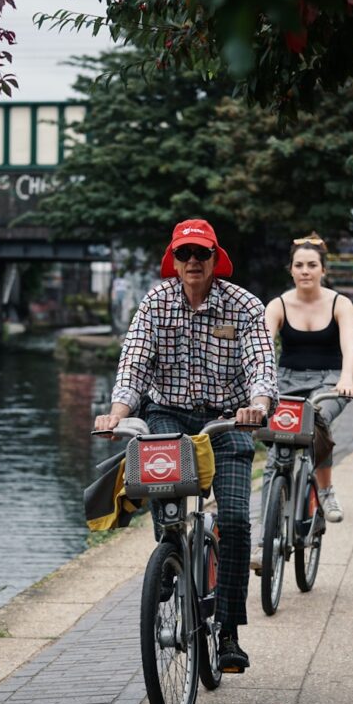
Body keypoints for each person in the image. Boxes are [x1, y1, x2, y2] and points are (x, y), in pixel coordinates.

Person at [94, 218, 278, 672]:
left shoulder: (244, 305)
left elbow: (260, 363)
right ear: (172, 260)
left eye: (202, 254)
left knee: (234, 520)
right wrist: (117, 412)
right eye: (185, 254)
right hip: (169, 415)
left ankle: (230, 632)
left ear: (217, 259)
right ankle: (170, 557)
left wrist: (257, 404)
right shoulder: (156, 303)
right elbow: (134, 362)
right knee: (163, 496)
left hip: (230, 417)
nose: (193, 261)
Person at [251, 233, 353, 568]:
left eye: (312, 265)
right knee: (274, 457)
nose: (305, 271)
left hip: (328, 381)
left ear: (322, 269)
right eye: (299, 265)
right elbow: (263, 350)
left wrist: (345, 378)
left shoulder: (340, 303)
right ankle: (262, 540)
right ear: (291, 270)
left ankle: (324, 491)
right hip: (285, 382)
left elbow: (350, 348)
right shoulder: (278, 305)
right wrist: (259, 388)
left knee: (316, 418)